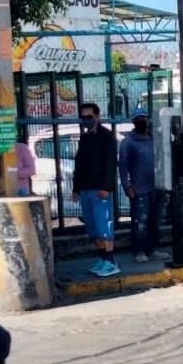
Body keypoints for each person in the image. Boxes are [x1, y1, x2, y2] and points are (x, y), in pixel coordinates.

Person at [72, 101, 119, 277]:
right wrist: (76, 188)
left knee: (103, 227)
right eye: (83, 117)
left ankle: (111, 261)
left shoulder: (107, 137)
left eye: (89, 117)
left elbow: (110, 164)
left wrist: (106, 187)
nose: (86, 120)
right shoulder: (85, 138)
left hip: (100, 189)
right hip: (85, 189)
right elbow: (79, 165)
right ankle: (103, 258)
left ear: (97, 117)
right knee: (92, 228)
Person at [118, 109, 163, 263]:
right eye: (139, 118)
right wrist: (127, 186)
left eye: (144, 118)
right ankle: (139, 251)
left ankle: (152, 249)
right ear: (134, 122)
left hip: (157, 187)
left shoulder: (153, 139)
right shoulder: (128, 142)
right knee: (140, 221)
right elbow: (122, 167)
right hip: (139, 189)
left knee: (155, 220)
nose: (142, 121)